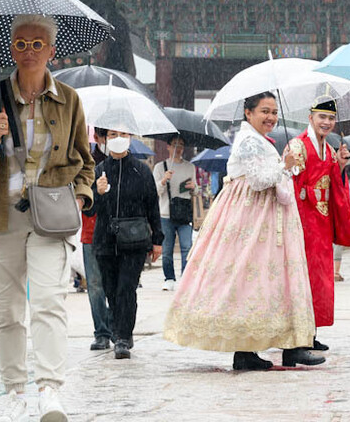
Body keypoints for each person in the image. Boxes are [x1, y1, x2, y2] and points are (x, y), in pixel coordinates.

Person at [0, 14, 95, 422]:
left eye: (38, 44)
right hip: (1, 217)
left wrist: (83, 197)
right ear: (11, 50)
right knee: (6, 308)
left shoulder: (69, 100)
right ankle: (14, 391)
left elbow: (85, 162)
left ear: (52, 51)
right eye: (20, 44)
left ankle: (50, 390)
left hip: (50, 216)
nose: (29, 51)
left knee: (50, 303)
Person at [164, 92, 323, 370]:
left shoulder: (259, 140)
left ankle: (282, 344)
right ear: (248, 113)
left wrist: (285, 168)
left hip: (266, 215)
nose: (271, 117)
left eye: (274, 112)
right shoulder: (249, 140)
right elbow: (259, 180)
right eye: (264, 111)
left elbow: (270, 176)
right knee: (252, 277)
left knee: (268, 278)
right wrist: (283, 166)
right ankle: (255, 348)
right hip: (252, 216)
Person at [287, 97, 350, 352]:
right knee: (302, 277)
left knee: (319, 278)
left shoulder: (328, 148)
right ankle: (298, 337)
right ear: (310, 118)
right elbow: (292, 182)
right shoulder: (298, 145)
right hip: (303, 219)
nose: (326, 122)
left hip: (322, 220)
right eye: (322, 117)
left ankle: (311, 331)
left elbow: (333, 181)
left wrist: (340, 165)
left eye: (330, 118)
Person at [90, 127, 163, 359]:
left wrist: (157, 240)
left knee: (126, 288)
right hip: (105, 240)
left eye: (123, 134)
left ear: (130, 138)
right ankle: (118, 329)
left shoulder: (141, 170)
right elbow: (91, 210)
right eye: (112, 135)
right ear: (104, 139)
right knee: (110, 289)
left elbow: (153, 206)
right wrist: (98, 192)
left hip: (134, 240)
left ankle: (122, 336)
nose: (118, 139)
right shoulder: (99, 171)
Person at [153, 134, 196, 291]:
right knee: (167, 249)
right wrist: (164, 180)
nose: (178, 148)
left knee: (187, 247)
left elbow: (196, 191)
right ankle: (169, 278)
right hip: (165, 213)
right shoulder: (160, 167)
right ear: (168, 146)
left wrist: (194, 187)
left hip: (184, 213)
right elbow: (155, 192)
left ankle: (185, 278)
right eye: (175, 144)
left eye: (181, 145)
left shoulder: (190, 167)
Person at [82, 131, 112, 351]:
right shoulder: (86, 164)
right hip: (91, 233)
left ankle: (118, 327)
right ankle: (101, 331)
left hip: (116, 233)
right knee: (94, 285)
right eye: (110, 135)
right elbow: (85, 201)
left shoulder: (126, 165)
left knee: (117, 284)